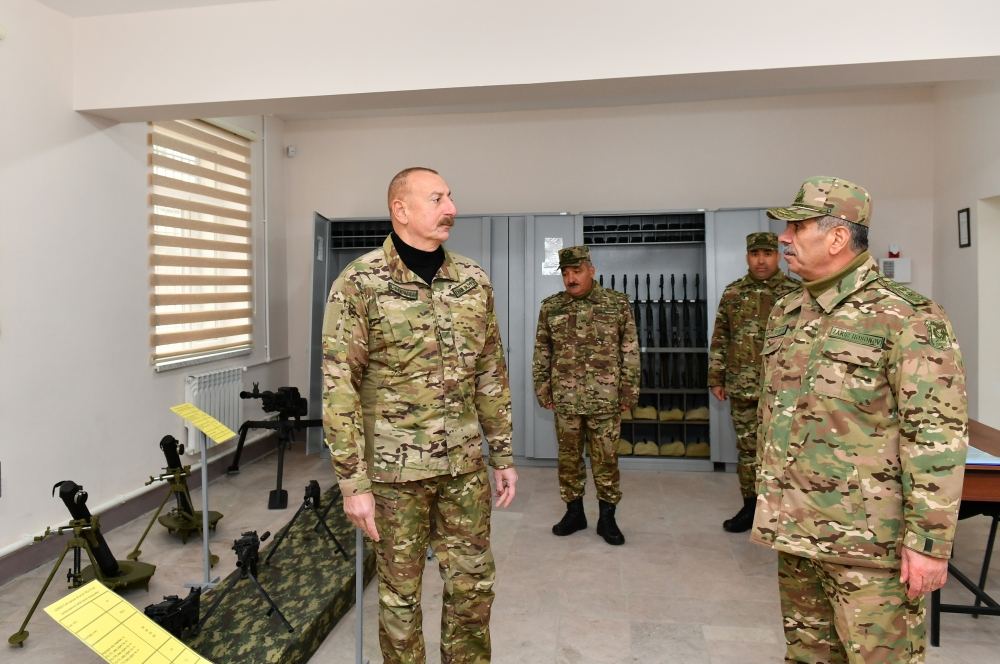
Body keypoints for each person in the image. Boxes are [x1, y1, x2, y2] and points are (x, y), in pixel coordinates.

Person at [753, 176, 968, 662]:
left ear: (837, 237)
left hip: (872, 550)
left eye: (797, 227)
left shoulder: (907, 317)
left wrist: (930, 544)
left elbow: (935, 436)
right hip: (798, 533)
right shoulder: (788, 311)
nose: (783, 238)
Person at [322, 167, 518, 664]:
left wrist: (504, 454)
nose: (451, 207)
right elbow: (338, 386)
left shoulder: (472, 280)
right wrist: (353, 484)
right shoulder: (360, 282)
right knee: (400, 599)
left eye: (451, 196)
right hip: (394, 475)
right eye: (437, 198)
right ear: (401, 209)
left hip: (464, 469)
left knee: (473, 588)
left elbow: (491, 371)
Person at [532, 245, 639, 545]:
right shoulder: (551, 307)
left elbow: (630, 350)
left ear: (592, 270)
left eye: (576, 271)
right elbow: (542, 352)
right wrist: (543, 389)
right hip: (565, 399)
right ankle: (574, 513)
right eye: (565, 273)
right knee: (568, 459)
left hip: (605, 399)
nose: (570, 279)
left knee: (606, 459)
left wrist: (629, 390)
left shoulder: (617, 305)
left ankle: (607, 518)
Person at [708, 232, 800, 533]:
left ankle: (783, 514)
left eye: (768, 253)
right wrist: (716, 378)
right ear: (747, 256)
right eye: (755, 254)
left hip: (786, 390)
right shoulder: (734, 293)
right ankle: (750, 507)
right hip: (743, 386)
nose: (761, 260)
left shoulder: (796, 293)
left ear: (778, 255)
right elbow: (721, 338)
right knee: (748, 452)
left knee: (786, 452)